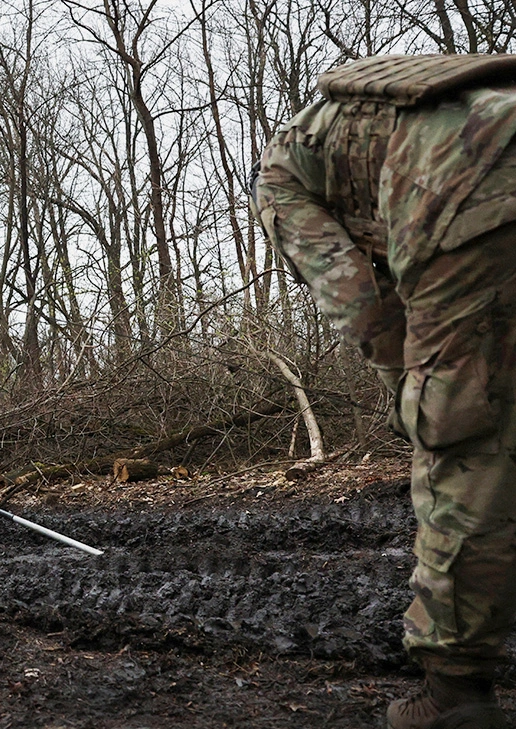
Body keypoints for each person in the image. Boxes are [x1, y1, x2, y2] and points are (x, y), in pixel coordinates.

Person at [251, 54, 516, 729]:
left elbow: (360, 300)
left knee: (461, 436)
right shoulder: (408, 109)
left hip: (463, 185)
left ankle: (454, 692)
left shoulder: (281, 175)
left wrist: (412, 388)